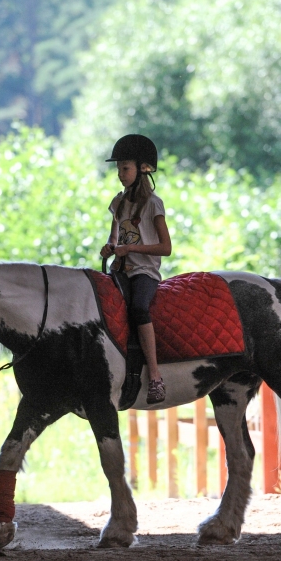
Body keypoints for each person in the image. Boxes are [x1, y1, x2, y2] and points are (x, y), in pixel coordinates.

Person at [99, 134, 172, 404]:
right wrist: (110, 248)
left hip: (144, 272)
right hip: (120, 270)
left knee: (139, 308)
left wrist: (131, 248)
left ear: (143, 169)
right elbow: (114, 237)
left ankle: (154, 375)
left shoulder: (153, 204)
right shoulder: (118, 202)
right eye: (119, 168)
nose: (120, 174)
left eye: (125, 168)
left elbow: (166, 247)